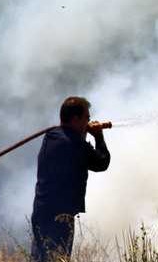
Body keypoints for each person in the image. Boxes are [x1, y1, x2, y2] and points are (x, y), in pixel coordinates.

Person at [31, 96, 110, 262]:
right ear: (76, 119)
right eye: (87, 118)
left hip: (41, 210)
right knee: (57, 258)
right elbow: (102, 162)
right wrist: (98, 136)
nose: (89, 121)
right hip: (60, 217)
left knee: (39, 258)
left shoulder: (52, 135)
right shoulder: (76, 144)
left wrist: (83, 133)